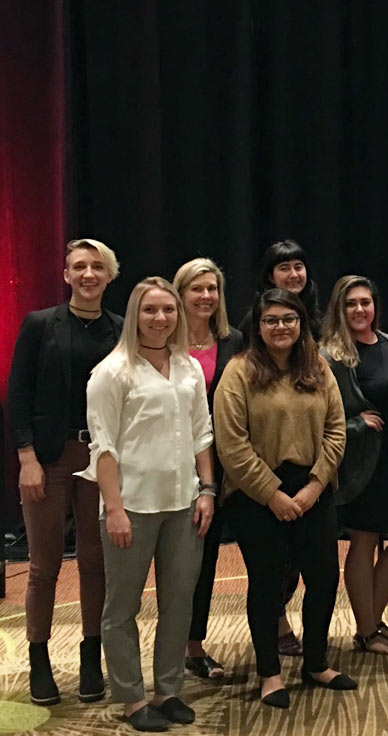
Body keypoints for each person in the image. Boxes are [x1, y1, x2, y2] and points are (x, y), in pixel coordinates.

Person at [83, 277, 215, 731]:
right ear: (134, 315)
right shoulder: (112, 371)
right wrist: (114, 508)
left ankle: (168, 690)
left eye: (168, 310)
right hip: (132, 506)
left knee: (179, 602)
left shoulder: (189, 367)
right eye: (150, 311)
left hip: (184, 503)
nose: (160, 319)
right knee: (122, 607)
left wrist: (208, 489)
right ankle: (132, 698)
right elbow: (103, 448)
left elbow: (202, 433)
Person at [214, 288, 355, 708]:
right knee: (268, 583)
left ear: (301, 324)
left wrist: (314, 487)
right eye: (271, 320)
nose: (281, 327)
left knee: (325, 578)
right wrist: (272, 494)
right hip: (256, 495)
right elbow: (232, 445)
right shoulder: (238, 372)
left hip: (313, 489)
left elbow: (337, 430)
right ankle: (270, 674)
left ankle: (315, 662)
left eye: (288, 319)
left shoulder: (318, 369)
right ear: (257, 326)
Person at [8, 238, 121, 706]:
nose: (88, 274)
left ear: (109, 275)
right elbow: (18, 395)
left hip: (102, 459)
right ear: (67, 274)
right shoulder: (39, 325)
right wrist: (27, 458)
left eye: (97, 267)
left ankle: (91, 656)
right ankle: (39, 660)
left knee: (97, 564)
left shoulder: (122, 330)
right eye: (79, 266)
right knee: (43, 566)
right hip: (50, 459)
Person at [321, 275, 388, 655]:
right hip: (360, 464)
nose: (359, 310)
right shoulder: (329, 355)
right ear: (339, 309)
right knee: (365, 539)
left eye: (365, 302)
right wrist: (357, 424)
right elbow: (318, 417)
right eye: (351, 304)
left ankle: (371, 623)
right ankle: (367, 629)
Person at [238, 238, 321, 654]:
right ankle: (276, 630)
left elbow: (334, 416)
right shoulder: (249, 334)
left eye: (299, 266)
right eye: (283, 267)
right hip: (261, 472)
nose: (293, 274)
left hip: (312, 470)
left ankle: (310, 649)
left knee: (316, 570)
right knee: (271, 569)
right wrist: (269, 490)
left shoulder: (318, 326)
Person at [172, 258, 245, 681]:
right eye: (196, 289)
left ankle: (194, 645)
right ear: (181, 294)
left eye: (211, 289)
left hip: (224, 465)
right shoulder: (161, 338)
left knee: (207, 558)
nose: (205, 297)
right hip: (171, 463)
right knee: (180, 560)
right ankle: (178, 646)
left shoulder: (233, 340)